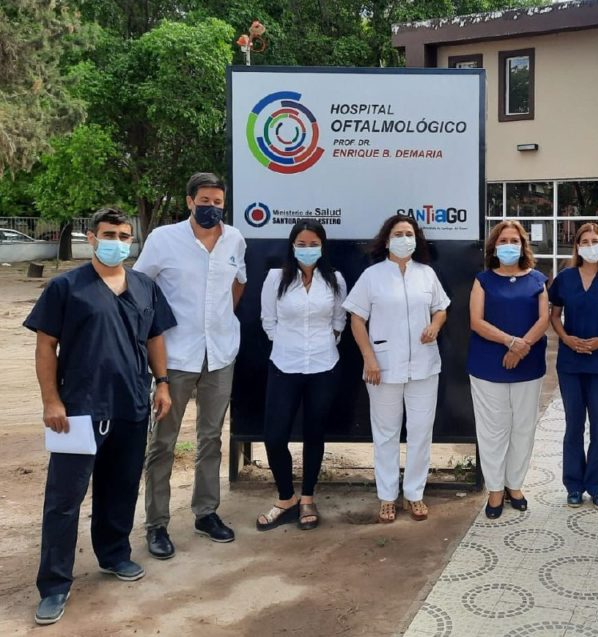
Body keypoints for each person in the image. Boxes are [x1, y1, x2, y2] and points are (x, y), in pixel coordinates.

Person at [25, 208, 176, 625]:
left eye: (124, 236)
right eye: (109, 235)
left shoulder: (144, 287)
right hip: (79, 409)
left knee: (121, 487)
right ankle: (54, 585)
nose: (117, 242)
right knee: (64, 500)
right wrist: (51, 401)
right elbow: (45, 346)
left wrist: (163, 383)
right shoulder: (66, 287)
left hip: (131, 405)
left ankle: (114, 554)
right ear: (91, 238)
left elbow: (155, 336)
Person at [134, 172, 247, 557]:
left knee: (211, 437)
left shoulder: (235, 239)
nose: (211, 208)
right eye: (204, 201)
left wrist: (219, 319)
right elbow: (139, 287)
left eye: (217, 202)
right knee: (163, 442)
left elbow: (239, 283)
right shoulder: (163, 239)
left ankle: (206, 512)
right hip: (175, 356)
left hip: (220, 354)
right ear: (189, 202)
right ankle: (156, 524)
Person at [344, 215, 450, 523]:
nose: (405, 239)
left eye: (409, 234)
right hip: (383, 367)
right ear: (387, 240)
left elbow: (441, 309)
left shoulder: (426, 274)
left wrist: (435, 325)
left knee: (420, 431)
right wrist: (369, 358)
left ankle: (414, 494)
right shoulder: (372, 276)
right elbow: (356, 319)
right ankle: (387, 496)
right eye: (399, 234)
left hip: (424, 366)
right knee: (386, 433)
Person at [257, 220, 347, 531]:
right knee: (275, 437)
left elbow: (339, 319)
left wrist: (327, 341)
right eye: (302, 244)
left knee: (314, 433)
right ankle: (286, 498)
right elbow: (268, 320)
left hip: (324, 365)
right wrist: (287, 343)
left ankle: (307, 497)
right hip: (285, 365)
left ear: (322, 246)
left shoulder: (334, 280)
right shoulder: (275, 278)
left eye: (313, 244)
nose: (307, 249)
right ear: (292, 246)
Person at [468, 220, 549, 519]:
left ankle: (514, 485)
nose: (509, 246)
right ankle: (495, 489)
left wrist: (521, 347)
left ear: (523, 246)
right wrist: (511, 342)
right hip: (488, 365)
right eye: (503, 241)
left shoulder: (538, 280)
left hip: (528, 364)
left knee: (523, 427)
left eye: (514, 240)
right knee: (493, 429)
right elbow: (476, 321)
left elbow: (544, 319)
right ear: (494, 247)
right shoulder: (483, 281)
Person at [548, 223, 598, 509]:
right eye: (585, 241)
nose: (590, 245)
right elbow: (554, 315)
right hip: (571, 363)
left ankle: (597, 485)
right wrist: (566, 338)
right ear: (577, 246)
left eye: (595, 241)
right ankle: (573, 485)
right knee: (573, 425)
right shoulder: (565, 278)